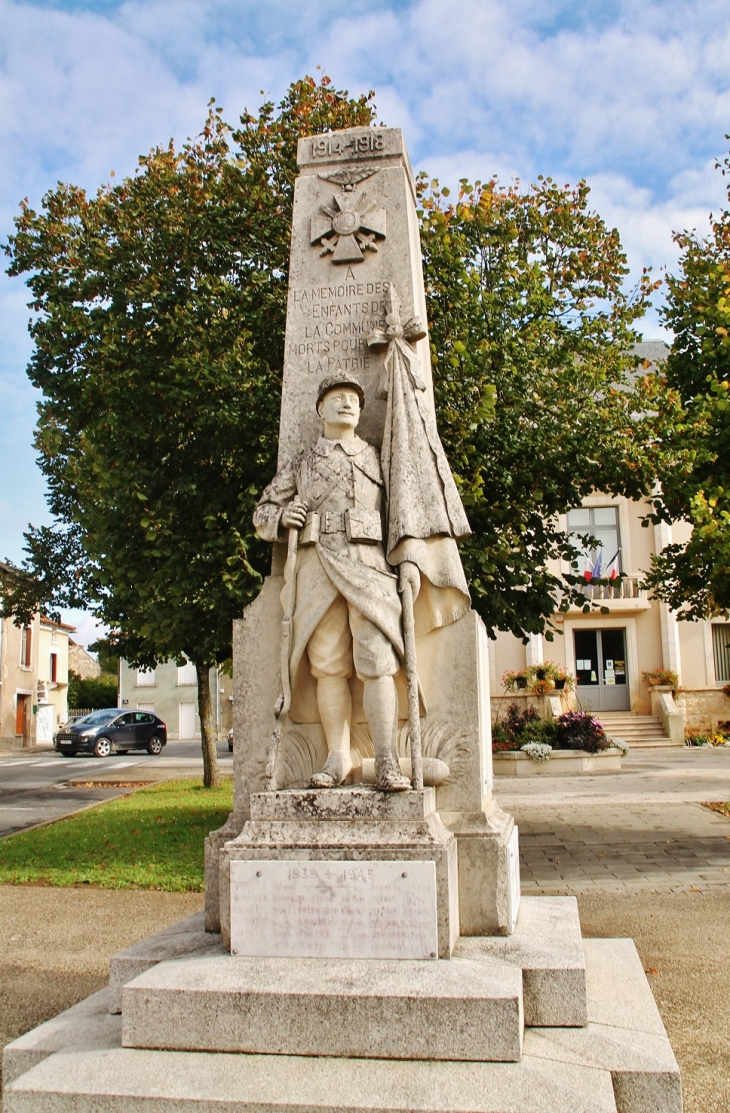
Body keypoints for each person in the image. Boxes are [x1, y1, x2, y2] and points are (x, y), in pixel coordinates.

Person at [254, 375, 412, 790]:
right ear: (320, 409)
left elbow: (403, 516)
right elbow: (265, 508)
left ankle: (387, 761)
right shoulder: (302, 461)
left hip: (369, 563)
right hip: (317, 566)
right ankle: (337, 757)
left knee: (377, 658)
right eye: (336, 398)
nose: (347, 404)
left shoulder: (378, 457)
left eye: (354, 399)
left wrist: (410, 561)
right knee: (327, 664)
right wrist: (281, 519)